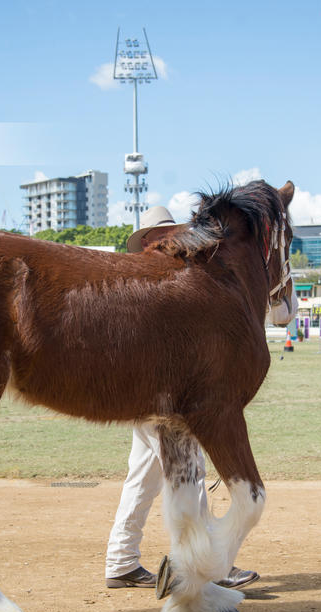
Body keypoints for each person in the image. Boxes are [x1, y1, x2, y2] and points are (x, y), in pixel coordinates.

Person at [105, 206, 259, 591]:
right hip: (159, 394)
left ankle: (121, 561)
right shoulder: (158, 282)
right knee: (189, 472)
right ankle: (210, 565)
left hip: (139, 392)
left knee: (142, 476)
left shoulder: (142, 277)